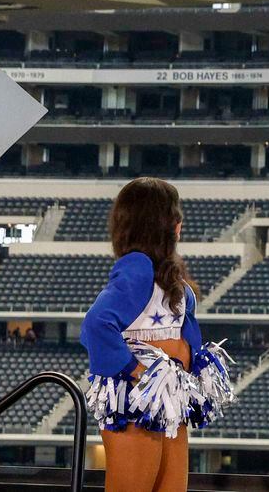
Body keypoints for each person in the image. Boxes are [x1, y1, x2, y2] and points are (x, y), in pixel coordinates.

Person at [81, 178, 236, 492]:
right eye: (175, 215)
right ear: (166, 225)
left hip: (169, 405)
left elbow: (186, 330)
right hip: (136, 406)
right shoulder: (137, 267)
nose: (181, 223)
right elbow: (96, 325)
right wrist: (137, 371)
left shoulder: (166, 272)